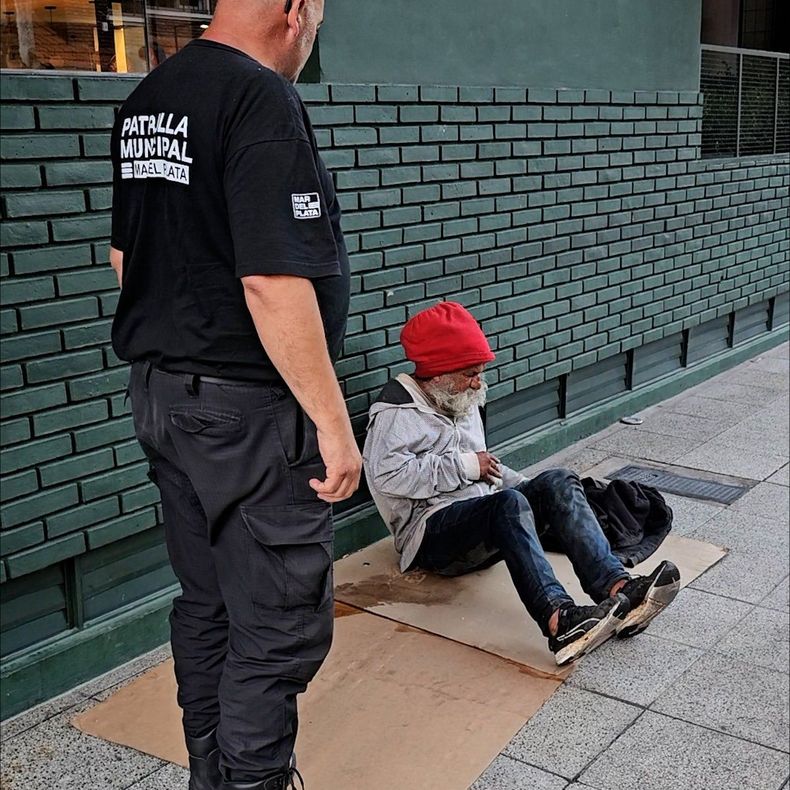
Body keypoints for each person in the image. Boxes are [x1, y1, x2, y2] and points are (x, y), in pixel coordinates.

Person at [109, 1, 360, 788]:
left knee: (209, 604)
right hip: (245, 415)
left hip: (165, 401)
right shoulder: (260, 97)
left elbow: (124, 257)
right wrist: (333, 424)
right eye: (317, 20)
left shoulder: (149, 96)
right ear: (293, 11)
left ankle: (211, 774)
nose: (312, 36)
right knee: (279, 625)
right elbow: (272, 280)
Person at [363, 302, 680, 666]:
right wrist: (465, 467)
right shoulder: (396, 415)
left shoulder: (458, 397)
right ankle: (560, 620)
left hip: (482, 516)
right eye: (470, 374)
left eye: (480, 373)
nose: (477, 383)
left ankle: (619, 588)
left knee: (558, 480)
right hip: (430, 536)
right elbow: (388, 477)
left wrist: (541, 497)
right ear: (438, 373)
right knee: (508, 504)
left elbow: (486, 469)